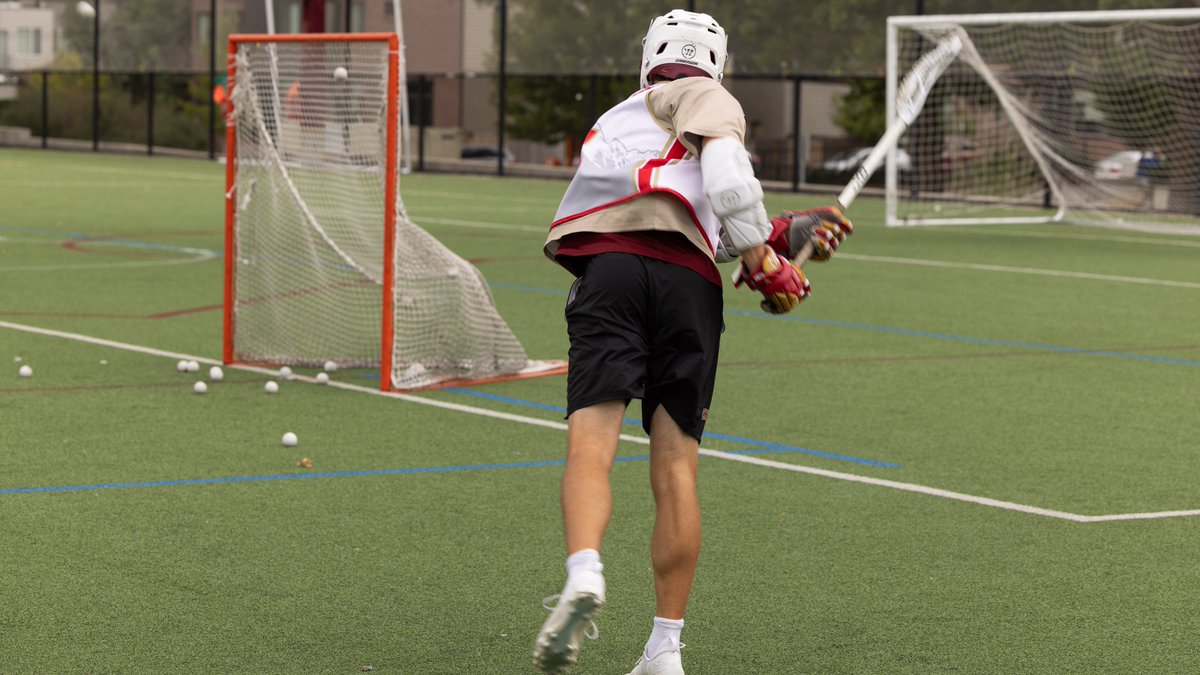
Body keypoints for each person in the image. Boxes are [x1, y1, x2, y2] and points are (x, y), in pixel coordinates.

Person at [532, 9, 852, 675]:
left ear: (649, 56)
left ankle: (584, 570)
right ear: (715, 63)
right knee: (676, 467)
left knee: (591, 447)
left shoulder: (621, 118)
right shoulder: (707, 96)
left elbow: (683, 196)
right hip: (687, 285)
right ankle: (664, 649)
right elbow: (727, 186)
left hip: (611, 273)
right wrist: (767, 262)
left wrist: (779, 238)